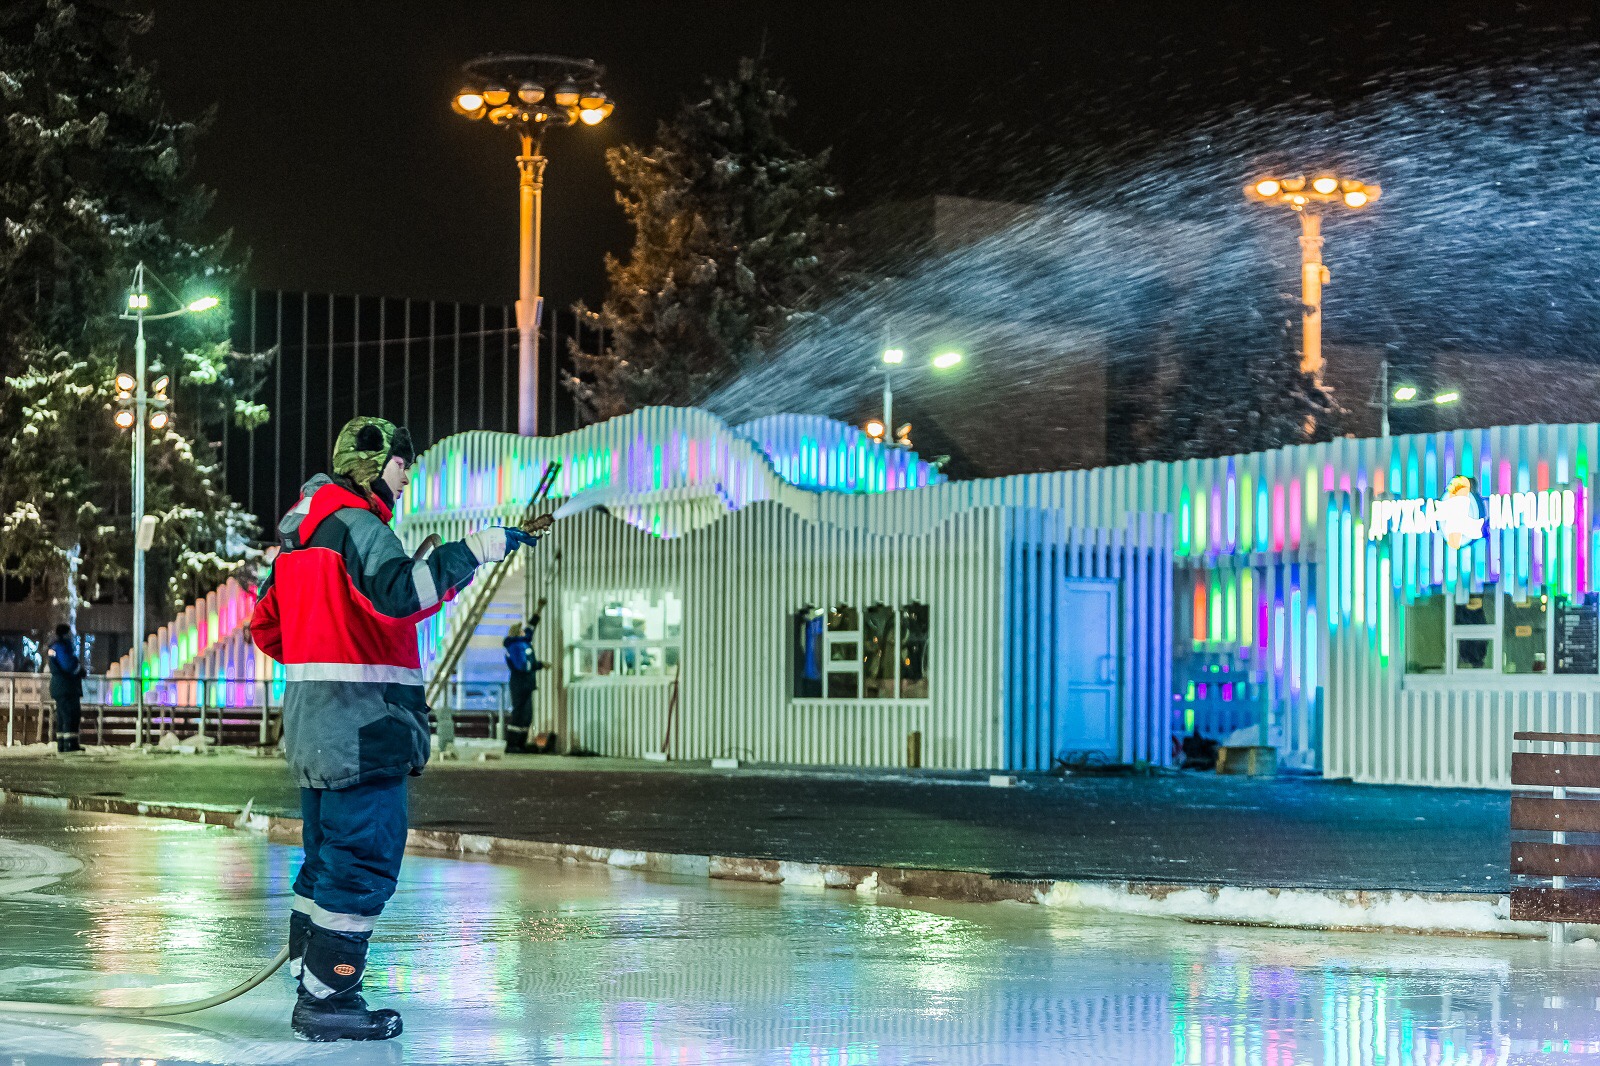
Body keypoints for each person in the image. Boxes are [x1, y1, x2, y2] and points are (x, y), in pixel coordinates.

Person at [250, 416, 543, 1043]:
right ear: (373, 463)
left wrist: (332, 645)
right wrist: (477, 549)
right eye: (402, 464)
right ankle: (328, 998)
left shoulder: (301, 537)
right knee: (362, 860)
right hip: (364, 728)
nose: (408, 478)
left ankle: (309, 973)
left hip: (314, 729)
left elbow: (266, 628)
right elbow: (400, 595)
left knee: (326, 859)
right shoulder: (361, 526)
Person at [502, 615, 543, 753]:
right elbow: (523, 665)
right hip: (520, 683)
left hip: (526, 683)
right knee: (520, 714)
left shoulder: (521, 643)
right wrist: (539, 665)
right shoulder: (516, 646)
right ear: (517, 632)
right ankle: (513, 744)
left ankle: (520, 743)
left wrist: (536, 615)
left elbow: (530, 630)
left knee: (526, 715)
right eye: (521, 630)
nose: (524, 632)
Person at [45, 623, 85, 753]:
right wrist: (79, 671)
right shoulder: (62, 647)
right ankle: (70, 745)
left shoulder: (53, 647)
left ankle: (62, 744)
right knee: (71, 715)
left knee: (63, 717)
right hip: (67, 686)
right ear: (66, 633)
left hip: (59, 686)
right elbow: (67, 665)